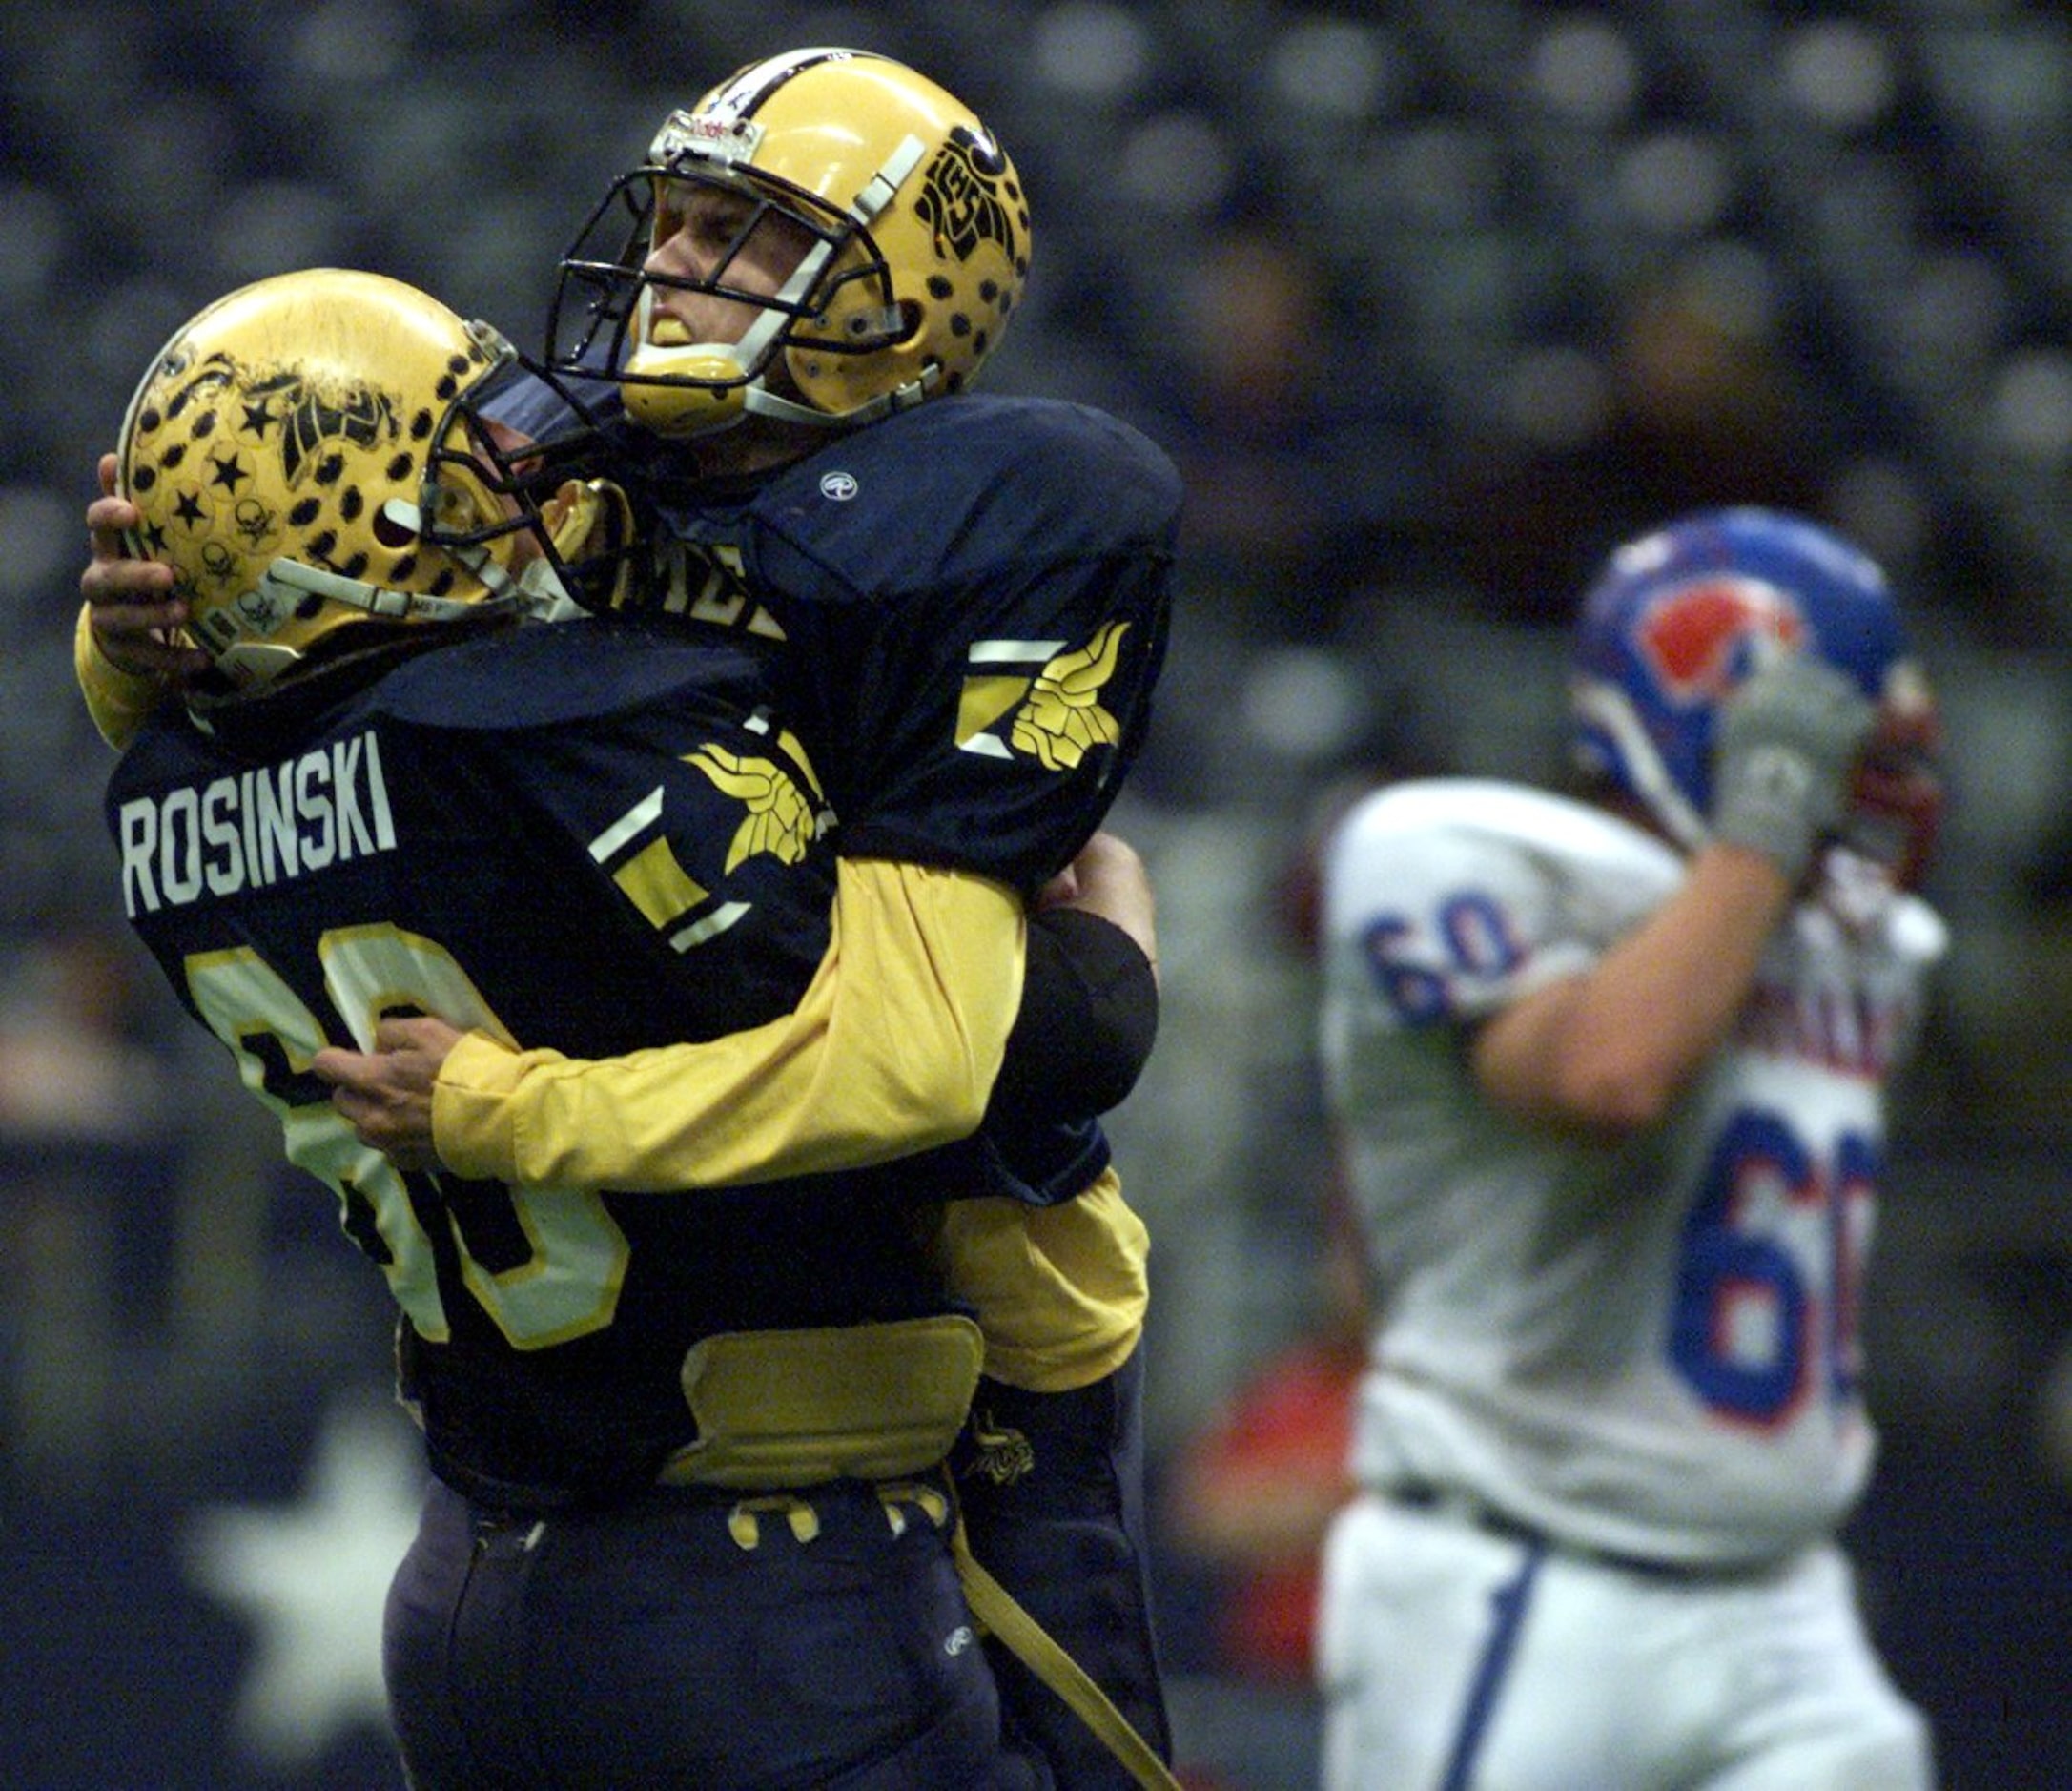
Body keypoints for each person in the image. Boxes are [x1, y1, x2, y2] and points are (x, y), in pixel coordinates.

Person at [76, 48, 1182, 1788]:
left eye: (739, 235)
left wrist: (147, 646)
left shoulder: (940, 523)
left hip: (505, 1542)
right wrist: (1108, 968)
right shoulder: (570, 547)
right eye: (672, 219)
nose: (668, 266)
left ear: (897, 304)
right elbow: (963, 1053)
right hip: (774, 1555)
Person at [1313, 507, 1946, 1789]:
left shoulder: (1874, 948)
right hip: (1523, 1579)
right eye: (1837, 747)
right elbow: (1610, 1071)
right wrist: (1758, 823)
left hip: (1783, 1597)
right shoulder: (1452, 850)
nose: (1881, 790)